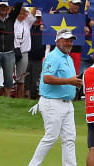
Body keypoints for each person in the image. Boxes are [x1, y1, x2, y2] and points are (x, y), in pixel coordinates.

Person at [28, 29, 82, 166]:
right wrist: (69, 81)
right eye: (66, 40)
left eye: (71, 40)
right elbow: (47, 78)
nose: (69, 43)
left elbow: (70, 79)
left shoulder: (68, 58)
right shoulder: (53, 57)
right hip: (52, 102)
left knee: (69, 138)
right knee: (51, 137)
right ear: (58, 41)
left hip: (67, 103)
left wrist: (75, 82)